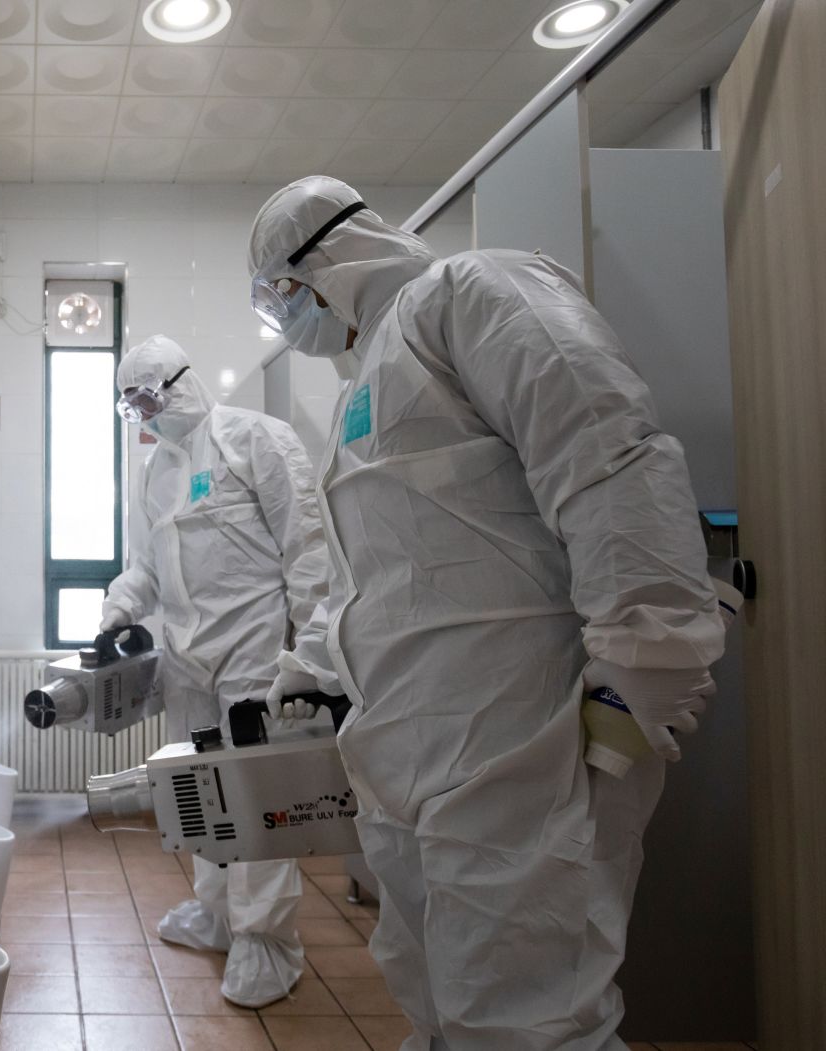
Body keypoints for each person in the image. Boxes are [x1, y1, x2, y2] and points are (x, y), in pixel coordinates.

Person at [246, 176, 725, 1050]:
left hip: (520, 741)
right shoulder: (367, 385)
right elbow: (378, 568)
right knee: (438, 998)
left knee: (529, 1019)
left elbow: (611, 461)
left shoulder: (476, 294)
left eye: (282, 296)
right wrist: (310, 666)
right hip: (411, 752)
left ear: (325, 260)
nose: (290, 322)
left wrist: (642, 670)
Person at [100, 334, 331, 1008]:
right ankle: (216, 912)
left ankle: (267, 940)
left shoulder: (254, 438)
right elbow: (145, 563)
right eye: (130, 405)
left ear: (178, 383)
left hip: (253, 654)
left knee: (255, 797)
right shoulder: (158, 471)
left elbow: (307, 546)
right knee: (197, 789)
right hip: (187, 657)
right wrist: (120, 607)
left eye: (146, 397)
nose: (142, 414)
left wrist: (313, 647)